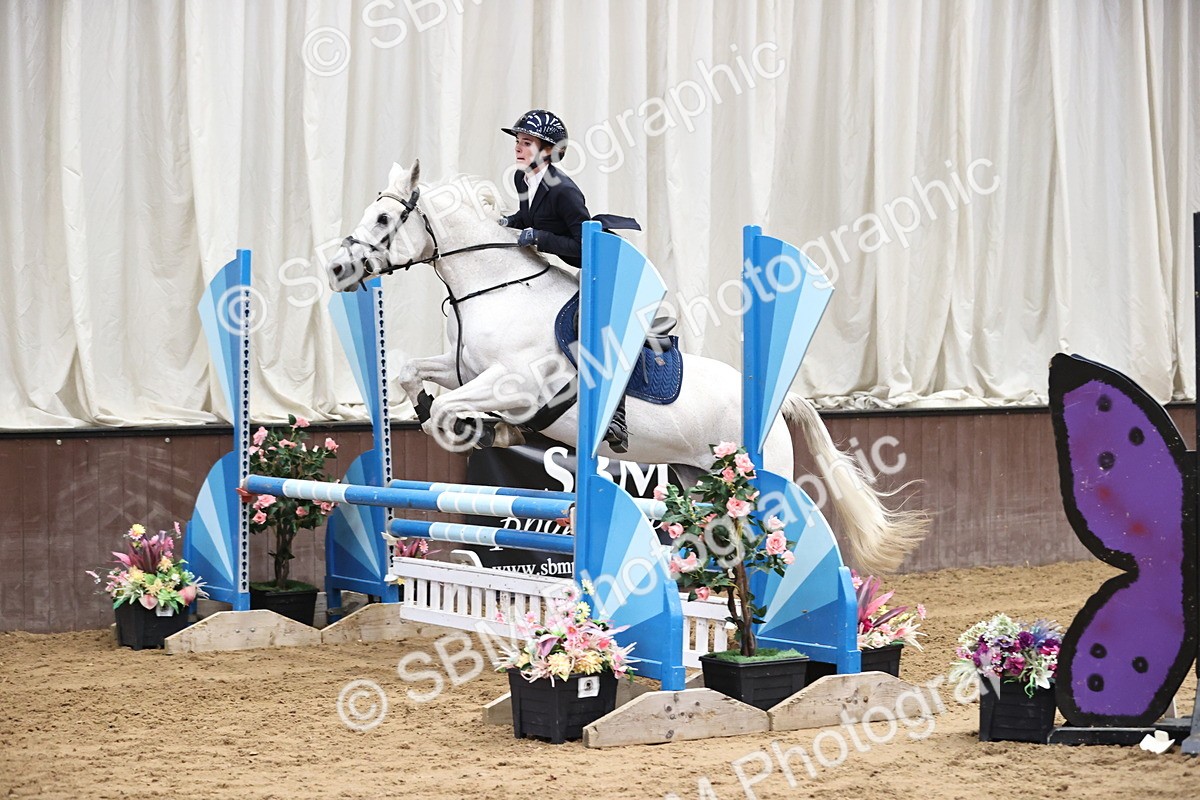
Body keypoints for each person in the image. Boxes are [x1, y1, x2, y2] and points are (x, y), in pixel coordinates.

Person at [499, 109, 628, 452]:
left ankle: (616, 414)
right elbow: (527, 217)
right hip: (574, 261)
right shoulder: (521, 179)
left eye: (526, 142)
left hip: (599, 264)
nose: (518, 147)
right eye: (518, 141)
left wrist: (539, 237)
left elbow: (583, 245)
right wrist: (503, 222)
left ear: (547, 150)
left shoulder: (565, 191)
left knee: (587, 324)